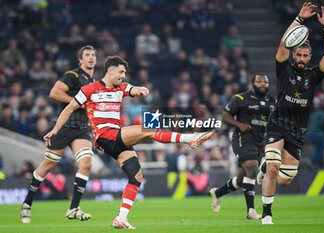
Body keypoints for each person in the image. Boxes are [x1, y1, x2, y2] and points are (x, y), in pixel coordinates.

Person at [43, 55, 215, 229]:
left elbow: (134, 89)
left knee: (136, 177)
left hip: (116, 138)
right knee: (148, 128)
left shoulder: (121, 88)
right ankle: (189, 139)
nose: (123, 76)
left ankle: (121, 218)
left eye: (124, 73)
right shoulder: (89, 89)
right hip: (104, 136)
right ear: (110, 71)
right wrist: (56, 130)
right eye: (121, 72)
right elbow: (69, 108)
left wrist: (143, 90)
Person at [257, 3, 324, 224]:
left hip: (298, 132)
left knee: (284, 180)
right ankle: (266, 215)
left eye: (305, 55)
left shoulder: (313, 76)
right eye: (298, 55)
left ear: (309, 57)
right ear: (294, 55)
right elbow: (284, 43)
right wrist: (300, 19)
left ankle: (264, 167)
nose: (301, 58)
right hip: (277, 124)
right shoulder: (284, 70)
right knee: (274, 166)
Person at [21, 45, 97, 223]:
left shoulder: (95, 82)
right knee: (47, 166)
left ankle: (74, 208)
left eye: (93, 54)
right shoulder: (73, 75)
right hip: (65, 126)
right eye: (87, 55)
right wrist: (77, 102)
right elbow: (54, 93)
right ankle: (27, 204)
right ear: (80, 60)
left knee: (86, 164)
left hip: (82, 128)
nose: (91, 57)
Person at [210, 75, 275, 219]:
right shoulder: (240, 98)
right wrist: (240, 125)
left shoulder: (272, 102)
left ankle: (217, 193)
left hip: (260, 141)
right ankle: (250, 211)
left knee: (241, 179)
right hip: (243, 138)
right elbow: (225, 116)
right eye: (259, 81)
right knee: (252, 167)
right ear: (252, 84)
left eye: (265, 81)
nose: (262, 84)